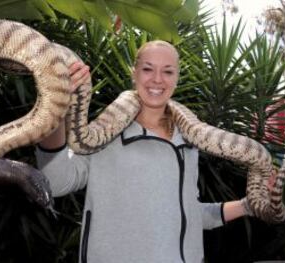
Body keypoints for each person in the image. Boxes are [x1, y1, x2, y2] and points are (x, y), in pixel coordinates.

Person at [35, 40, 254, 263]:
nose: (157, 79)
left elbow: (188, 214)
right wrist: (57, 104)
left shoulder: (188, 144)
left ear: (176, 79)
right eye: (148, 69)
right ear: (135, 74)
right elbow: (56, 181)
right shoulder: (105, 134)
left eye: (167, 72)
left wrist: (247, 206)